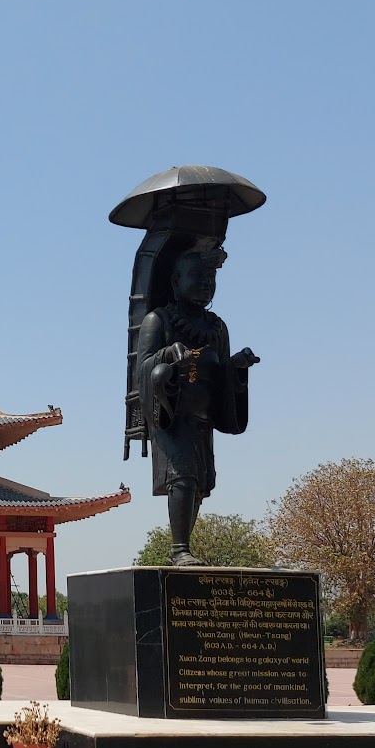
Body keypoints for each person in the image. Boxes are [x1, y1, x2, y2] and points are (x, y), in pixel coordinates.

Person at [134, 242, 259, 565]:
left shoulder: (217, 327)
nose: (205, 284)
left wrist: (237, 367)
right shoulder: (158, 321)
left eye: (210, 279)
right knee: (184, 476)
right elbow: (144, 369)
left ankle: (183, 545)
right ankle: (179, 550)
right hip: (171, 413)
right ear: (176, 282)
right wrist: (166, 355)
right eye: (197, 277)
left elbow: (222, 376)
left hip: (203, 415)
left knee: (201, 484)